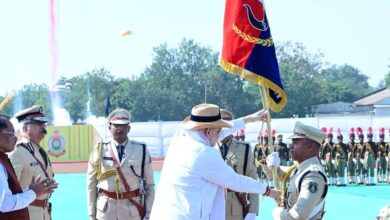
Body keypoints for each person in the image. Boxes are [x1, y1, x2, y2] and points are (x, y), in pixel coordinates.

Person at [150, 103, 280, 220]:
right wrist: (268, 191)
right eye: (218, 131)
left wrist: (249, 119)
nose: (220, 135)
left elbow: (224, 131)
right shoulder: (203, 153)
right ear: (207, 131)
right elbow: (235, 181)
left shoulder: (181, 137)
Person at [87, 108, 155, 220]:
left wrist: (147, 214)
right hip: (105, 212)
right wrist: (92, 215)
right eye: (116, 125)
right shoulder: (99, 149)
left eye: (123, 125)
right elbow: (91, 185)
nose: (120, 129)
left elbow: (150, 185)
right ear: (109, 128)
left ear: (129, 128)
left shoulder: (141, 150)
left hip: (131, 212)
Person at [265, 121, 328, 220]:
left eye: (295, 142)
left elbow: (298, 215)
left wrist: (278, 213)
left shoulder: (313, 175)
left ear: (310, 146)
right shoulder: (301, 168)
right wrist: (269, 164)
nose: (290, 146)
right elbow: (279, 174)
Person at [0, 115, 57, 220]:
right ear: (26, 128)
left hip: (43, 212)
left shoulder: (40, 151)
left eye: (44, 124)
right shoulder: (17, 152)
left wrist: (34, 189)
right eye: (39, 125)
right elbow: (6, 200)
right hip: (28, 212)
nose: (43, 128)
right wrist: (33, 192)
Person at [218, 109, 258, 220]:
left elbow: (252, 178)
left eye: (227, 125)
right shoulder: (207, 148)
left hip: (235, 208)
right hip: (212, 207)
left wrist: (253, 211)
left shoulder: (244, 148)